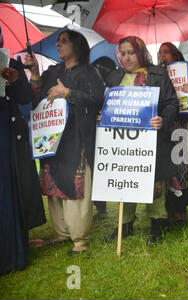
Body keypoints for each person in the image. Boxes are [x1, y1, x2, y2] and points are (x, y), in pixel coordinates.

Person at [25, 30, 105, 257]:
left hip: (77, 136)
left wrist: (67, 92)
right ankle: (61, 232)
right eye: (58, 42)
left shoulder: (89, 72)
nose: (59, 46)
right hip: (52, 137)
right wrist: (34, 73)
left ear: (76, 46)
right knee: (53, 182)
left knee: (75, 185)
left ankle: (79, 239)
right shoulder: (54, 71)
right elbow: (38, 97)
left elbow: (97, 99)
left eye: (63, 42)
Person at [104, 36, 178, 244]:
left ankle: (157, 224)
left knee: (154, 182)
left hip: (153, 140)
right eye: (123, 53)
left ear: (141, 52)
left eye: (131, 53)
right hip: (123, 142)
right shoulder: (113, 77)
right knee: (124, 181)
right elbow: (106, 104)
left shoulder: (158, 74)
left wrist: (163, 119)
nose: (127, 58)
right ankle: (125, 224)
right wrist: (103, 115)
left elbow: (173, 103)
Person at [1, 29, 46, 274]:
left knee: (12, 184)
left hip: (9, 134)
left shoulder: (9, 61)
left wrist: (16, 79)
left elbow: (27, 97)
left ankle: (16, 244)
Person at [157, 42, 188, 228]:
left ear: (175, 55)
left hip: (181, 127)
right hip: (163, 128)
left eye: (167, 52)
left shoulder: (185, 74)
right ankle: (168, 213)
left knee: (181, 171)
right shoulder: (156, 74)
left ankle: (180, 213)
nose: (162, 55)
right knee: (166, 169)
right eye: (160, 52)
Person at [91, 56, 117, 220]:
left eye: (103, 68)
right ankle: (99, 205)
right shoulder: (93, 82)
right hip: (92, 131)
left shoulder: (113, 84)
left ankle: (101, 205)